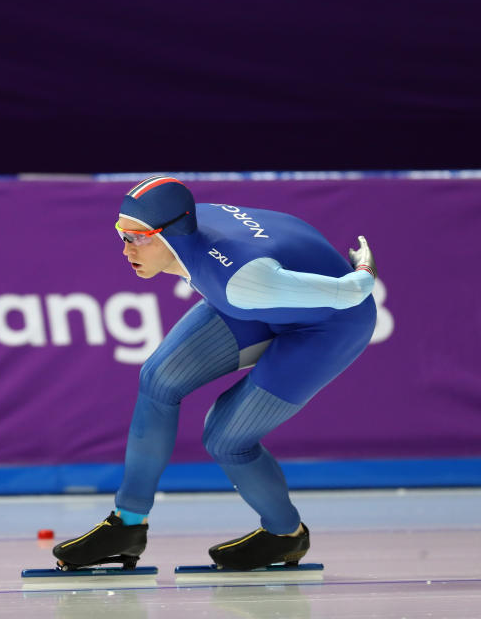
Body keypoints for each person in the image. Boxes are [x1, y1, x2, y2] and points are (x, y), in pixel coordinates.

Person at [53, 176, 378, 571]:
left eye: (137, 238)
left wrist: (363, 265)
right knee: (158, 379)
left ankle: (284, 534)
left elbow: (353, 291)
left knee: (225, 436)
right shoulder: (189, 230)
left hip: (329, 324)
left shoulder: (237, 281)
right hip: (268, 293)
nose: (125, 249)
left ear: (170, 234)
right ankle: (126, 524)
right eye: (122, 234)